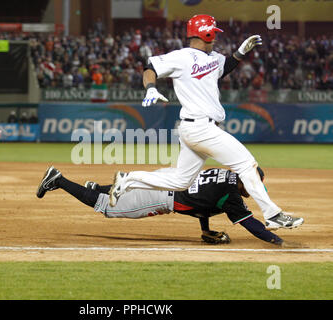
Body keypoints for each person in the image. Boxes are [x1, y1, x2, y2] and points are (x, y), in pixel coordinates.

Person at [108, 14, 304, 230]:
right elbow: (150, 67)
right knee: (246, 165)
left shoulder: (213, 57)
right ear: (207, 33)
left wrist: (240, 53)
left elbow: (224, 67)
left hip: (196, 129)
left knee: (181, 182)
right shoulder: (182, 57)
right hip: (201, 127)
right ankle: (272, 215)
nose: (216, 38)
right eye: (214, 33)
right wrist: (151, 88)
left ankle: (127, 180)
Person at [36, 166, 302, 247]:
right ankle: (59, 181)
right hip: (163, 197)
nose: (255, 190)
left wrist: (206, 230)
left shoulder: (224, 175)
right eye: (254, 185)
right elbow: (252, 224)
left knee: (130, 186)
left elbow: (204, 203)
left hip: (169, 178)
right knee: (108, 208)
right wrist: (276, 240)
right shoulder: (233, 197)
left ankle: (97, 187)